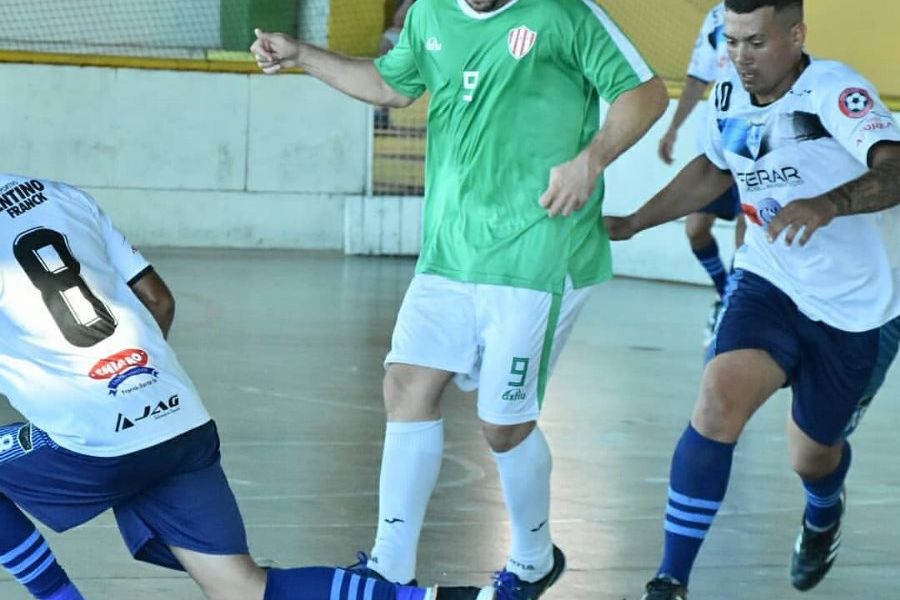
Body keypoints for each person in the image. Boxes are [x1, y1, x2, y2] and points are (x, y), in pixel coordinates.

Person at [251, 0, 668, 596]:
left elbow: (644, 93)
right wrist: (301, 55)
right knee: (405, 385)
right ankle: (391, 563)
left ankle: (532, 559)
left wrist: (589, 162)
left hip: (538, 253)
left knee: (502, 424)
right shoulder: (430, 15)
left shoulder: (565, 14)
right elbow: (390, 86)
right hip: (450, 251)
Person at [0, 172, 490, 600]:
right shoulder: (59, 194)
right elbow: (160, 301)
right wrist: (129, 390)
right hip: (178, 418)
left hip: (95, 442)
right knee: (242, 588)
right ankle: (445, 599)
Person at [604, 0, 900, 598]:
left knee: (811, 455)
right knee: (717, 398)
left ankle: (822, 512)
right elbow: (714, 170)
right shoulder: (727, 96)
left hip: (860, 306)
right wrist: (637, 219)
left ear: (796, 35)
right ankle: (670, 581)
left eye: (756, 43)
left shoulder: (833, 93)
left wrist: (829, 203)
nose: (740, 58)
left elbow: (896, 167)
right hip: (770, 279)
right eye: (731, 42)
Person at [657, 1, 746, 346]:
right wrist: (673, 128)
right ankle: (725, 295)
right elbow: (698, 77)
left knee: (746, 236)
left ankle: (736, 311)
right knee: (695, 229)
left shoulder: (772, 11)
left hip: (754, 142)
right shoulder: (715, 17)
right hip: (717, 144)